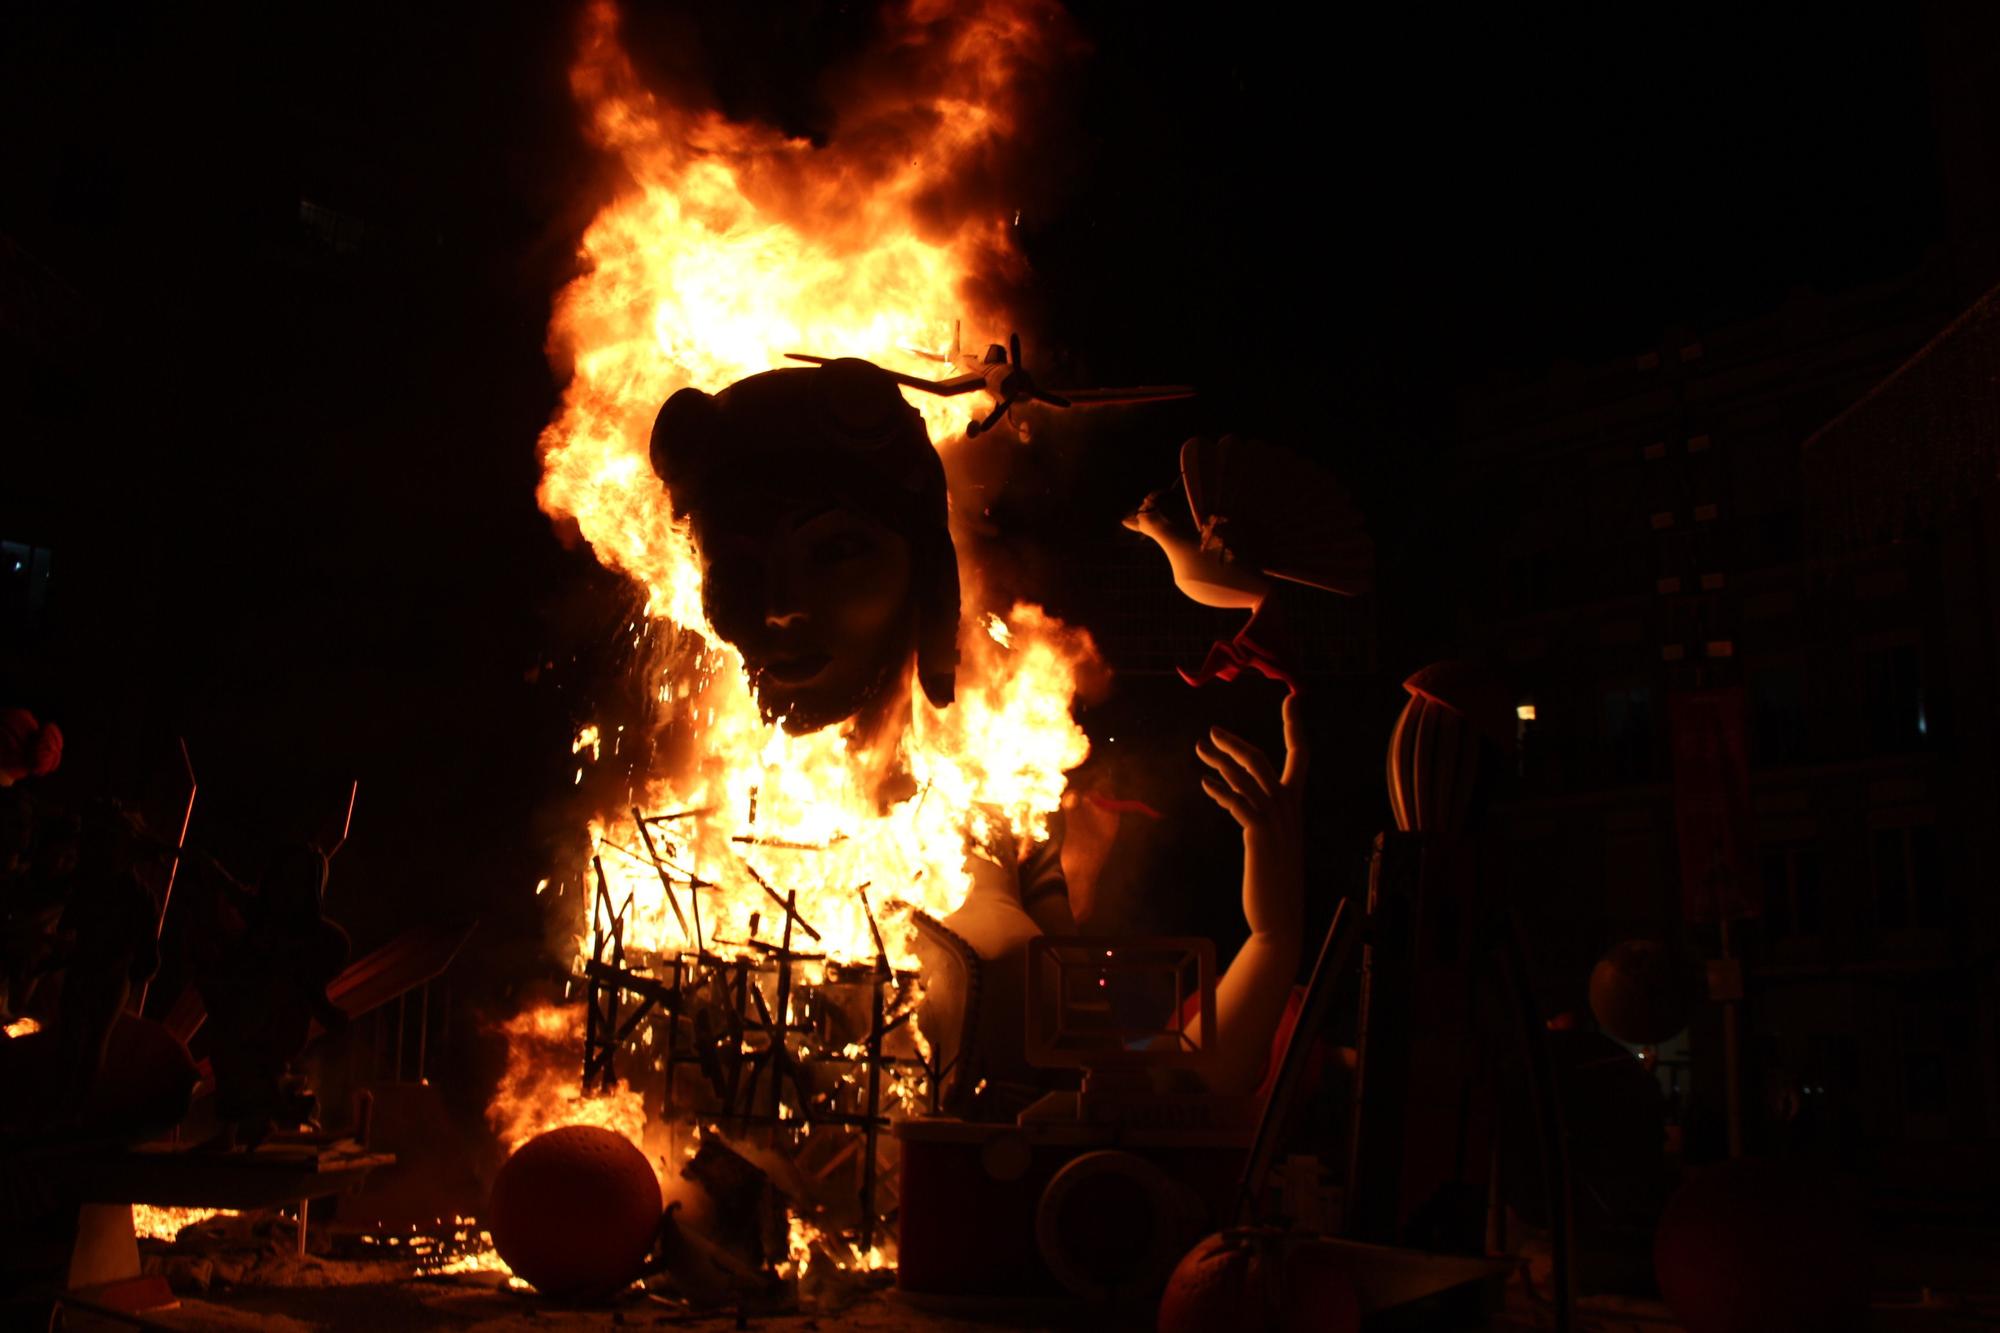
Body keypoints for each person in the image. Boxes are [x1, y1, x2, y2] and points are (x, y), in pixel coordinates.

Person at [647, 360, 1304, 1101]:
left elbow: (1155, 1080)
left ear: (926, 572)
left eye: (835, 552)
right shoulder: (691, 848)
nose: (782, 607)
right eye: (734, 568)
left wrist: (1273, 940)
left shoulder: (990, 802)